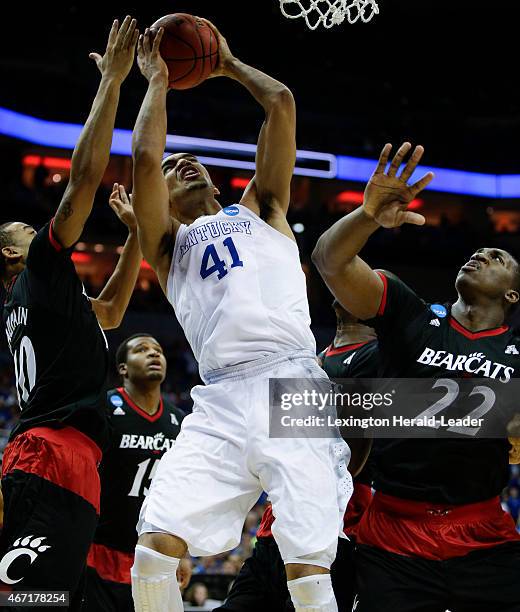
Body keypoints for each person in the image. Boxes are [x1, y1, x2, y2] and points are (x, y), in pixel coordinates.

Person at [129, 21, 351, 612]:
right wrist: (157, 83)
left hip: (291, 381)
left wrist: (226, 64)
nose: (185, 163)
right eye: (177, 167)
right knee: (153, 549)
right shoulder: (168, 244)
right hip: (220, 399)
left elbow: (280, 103)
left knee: (307, 567)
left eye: (192, 160)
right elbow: (146, 159)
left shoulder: (264, 207)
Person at [312, 142, 520, 611]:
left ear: (512, 294)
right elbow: (331, 261)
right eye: (479, 250)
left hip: (482, 531)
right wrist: (366, 216)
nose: (481, 254)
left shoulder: (517, 353)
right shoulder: (411, 313)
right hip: (394, 531)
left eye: (497, 257)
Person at [0, 17, 141, 607]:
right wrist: (111, 82)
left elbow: (108, 310)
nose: (42, 234)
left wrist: (136, 235)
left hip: (70, 457)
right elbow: (82, 181)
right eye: (27, 232)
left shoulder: (42, 301)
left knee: (50, 598)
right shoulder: (38, 271)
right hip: (51, 450)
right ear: (14, 253)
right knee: (31, 600)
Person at [214, 301, 378, 612]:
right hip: (279, 522)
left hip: (336, 523)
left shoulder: (376, 355)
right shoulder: (311, 357)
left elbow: (353, 458)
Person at [85, 333, 189, 611]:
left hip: (152, 556)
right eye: (142, 350)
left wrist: (184, 553)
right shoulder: (103, 408)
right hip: (97, 554)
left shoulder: (179, 421)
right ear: (123, 368)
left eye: (158, 350)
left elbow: (180, 492)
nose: (154, 354)